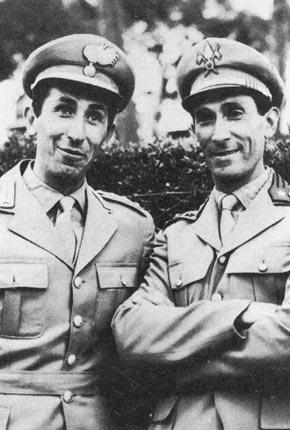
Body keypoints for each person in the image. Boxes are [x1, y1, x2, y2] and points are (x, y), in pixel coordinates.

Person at [112, 37, 290, 430]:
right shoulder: (176, 235)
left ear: (271, 121)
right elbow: (131, 335)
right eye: (206, 118)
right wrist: (241, 315)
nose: (219, 132)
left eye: (235, 113)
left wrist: (176, 359)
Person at [0, 34, 154, 430]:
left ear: (108, 133)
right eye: (64, 110)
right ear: (32, 118)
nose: (77, 132)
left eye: (94, 116)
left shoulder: (132, 229)